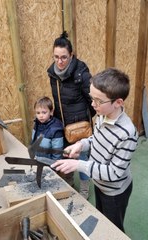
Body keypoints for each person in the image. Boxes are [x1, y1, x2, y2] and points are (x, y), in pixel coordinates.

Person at [51, 68, 139, 232]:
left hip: (114, 193)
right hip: (98, 182)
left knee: (114, 230)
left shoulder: (127, 133)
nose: (92, 104)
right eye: (92, 98)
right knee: (102, 221)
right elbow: (96, 139)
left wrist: (79, 165)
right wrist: (81, 144)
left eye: (98, 101)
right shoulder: (102, 115)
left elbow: (114, 173)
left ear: (118, 102)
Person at [47, 31, 96, 199]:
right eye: (56, 57)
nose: (60, 61)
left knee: (81, 159)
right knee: (65, 154)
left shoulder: (81, 72)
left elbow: (93, 100)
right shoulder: (53, 74)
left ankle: (84, 188)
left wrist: (83, 119)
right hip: (62, 124)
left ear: (71, 55)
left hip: (79, 127)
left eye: (64, 57)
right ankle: (68, 183)